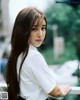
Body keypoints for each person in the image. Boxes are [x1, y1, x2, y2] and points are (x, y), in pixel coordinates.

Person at [5, 7, 71, 100]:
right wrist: (63, 90)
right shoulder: (34, 56)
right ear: (23, 30)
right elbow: (54, 91)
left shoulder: (18, 54)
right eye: (34, 29)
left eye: (43, 28)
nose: (40, 34)